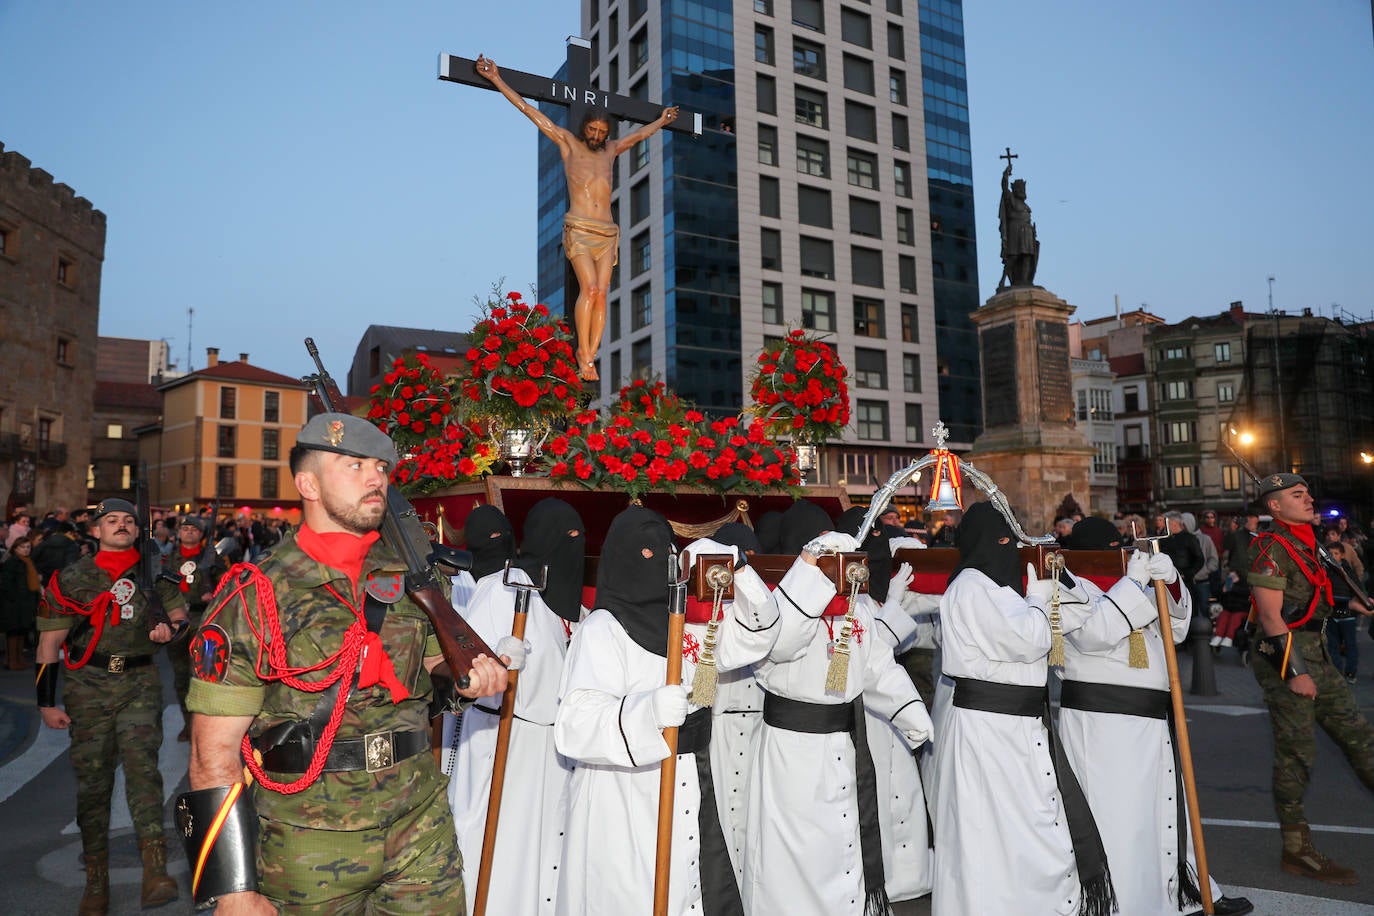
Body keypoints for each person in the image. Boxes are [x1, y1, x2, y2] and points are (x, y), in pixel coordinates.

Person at [181, 413, 508, 913]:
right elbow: (212, 752)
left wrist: (467, 680)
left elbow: (435, 674)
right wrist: (233, 889)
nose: (375, 476)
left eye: (380, 465)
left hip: (419, 825)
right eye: (353, 465)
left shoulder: (413, 581)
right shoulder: (254, 592)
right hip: (305, 842)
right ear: (306, 483)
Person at [554, 506, 779, 916]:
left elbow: (758, 636)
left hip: (691, 781)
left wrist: (740, 570)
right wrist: (647, 710)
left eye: (667, 551)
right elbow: (575, 722)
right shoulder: (603, 629)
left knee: (689, 887)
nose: (657, 560)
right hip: (627, 793)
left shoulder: (686, 624)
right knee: (634, 893)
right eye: (645, 552)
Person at [1056, 518, 1253, 916]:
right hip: (1103, 723)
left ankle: (1181, 890)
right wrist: (1130, 585)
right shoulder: (1064, 585)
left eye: (1122, 545)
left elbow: (1176, 630)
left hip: (1151, 720)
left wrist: (1173, 583)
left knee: (1163, 812)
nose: (1121, 552)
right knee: (1120, 820)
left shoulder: (1133, 578)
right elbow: (1092, 636)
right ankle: (1126, 902)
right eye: (1111, 547)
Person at [744, 505, 931, 916]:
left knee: (842, 847)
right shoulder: (779, 606)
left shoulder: (854, 606)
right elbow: (783, 643)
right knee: (798, 855)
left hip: (844, 747)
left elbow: (877, 665)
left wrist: (911, 713)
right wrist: (810, 580)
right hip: (792, 753)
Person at [931, 501, 1113, 916]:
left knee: (1032, 821)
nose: (1008, 549)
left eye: (1012, 540)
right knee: (994, 828)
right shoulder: (971, 586)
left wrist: (1062, 579)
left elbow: (1082, 612)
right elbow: (1029, 640)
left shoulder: (1006, 587)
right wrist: (1039, 598)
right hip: (988, 728)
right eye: (1001, 541)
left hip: (1023, 725)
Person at [476, 54, 678, 380]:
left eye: (602, 131)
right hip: (580, 227)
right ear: (584, 127)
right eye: (593, 129)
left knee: (602, 293)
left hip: (608, 231)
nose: (598, 135)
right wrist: (497, 79)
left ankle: (589, 354)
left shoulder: (611, 149)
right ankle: (582, 353)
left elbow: (638, 136)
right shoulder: (569, 144)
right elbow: (531, 112)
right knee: (591, 288)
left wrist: (662, 122)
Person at [35, 497, 189, 914]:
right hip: (87, 687)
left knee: (144, 773)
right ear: (96, 530)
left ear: (139, 531)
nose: (121, 526)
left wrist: (169, 630)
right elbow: (49, 644)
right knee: (94, 782)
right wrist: (46, 703)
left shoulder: (155, 575)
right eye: (112, 521)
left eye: (128, 522)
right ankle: (97, 881)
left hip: (140, 682)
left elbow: (180, 617)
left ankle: (156, 871)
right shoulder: (71, 579)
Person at [447, 498, 584, 915]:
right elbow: (468, 668)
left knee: (539, 855)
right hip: (500, 738)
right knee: (495, 847)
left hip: (549, 752)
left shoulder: (572, 606)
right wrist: (498, 661)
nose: (573, 547)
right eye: (566, 538)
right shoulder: (507, 587)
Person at [1247, 472, 1374, 885]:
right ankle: (1296, 850)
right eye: (1296, 495)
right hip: (1284, 658)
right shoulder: (1270, 548)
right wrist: (1295, 674)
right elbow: (1270, 616)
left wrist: (1346, 606)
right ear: (1274, 507)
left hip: (1316, 651)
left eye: (1307, 493)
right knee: (1297, 752)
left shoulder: (1308, 543)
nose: (1308, 499)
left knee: (1359, 737)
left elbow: (1309, 604)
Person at [165, 516, 228, 741]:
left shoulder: (211, 557)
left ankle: (205, 726)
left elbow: (226, 582)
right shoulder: (168, 559)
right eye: (185, 528)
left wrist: (214, 590)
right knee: (181, 676)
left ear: (201, 535)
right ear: (179, 532)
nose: (189, 532)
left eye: (194, 529)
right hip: (178, 622)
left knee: (204, 675)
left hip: (205, 620)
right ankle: (188, 724)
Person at [1, 532, 42, 669]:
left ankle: (18, 659)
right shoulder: (12, 563)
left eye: (28, 547)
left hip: (25, 603)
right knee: (13, 632)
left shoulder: (28, 562)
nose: (26, 549)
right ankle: (12, 660)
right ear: (15, 548)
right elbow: (6, 584)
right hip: (14, 604)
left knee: (21, 632)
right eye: (23, 547)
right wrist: (14, 599)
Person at [997, 158, 1039, 288]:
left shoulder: (1026, 206)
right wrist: (1006, 174)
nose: (1022, 191)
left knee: (1027, 256)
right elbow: (1004, 187)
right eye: (1020, 189)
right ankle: (1003, 281)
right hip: (1015, 230)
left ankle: (1025, 281)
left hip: (1027, 232)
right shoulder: (1011, 199)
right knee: (1013, 257)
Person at [1323, 542, 1360, 684]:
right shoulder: (1325, 570)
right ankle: (1336, 672)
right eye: (1330, 554)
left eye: (1336, 554)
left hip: (1347, 614)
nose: (1333, 557)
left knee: (1350, 644)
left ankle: (1350, 672)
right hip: (1332, 612)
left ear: (1342, 555)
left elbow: (1356, 589)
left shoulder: (1347, 571)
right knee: (1332, 644)